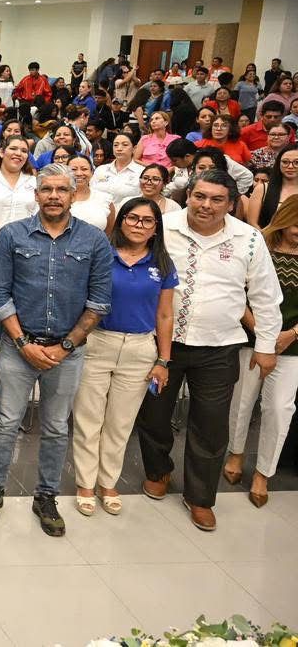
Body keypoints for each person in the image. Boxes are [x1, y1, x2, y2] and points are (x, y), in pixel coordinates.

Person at [135, 170, 282, 531]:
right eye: (199, 196)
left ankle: (200, 497)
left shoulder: (248, 238)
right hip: (163, 344)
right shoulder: (163, 227)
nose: (206, 205)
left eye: (217, 199)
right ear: (188, 196)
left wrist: (266, 346)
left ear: (231, 204)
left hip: (220, 345)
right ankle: (158, 470)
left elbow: (266, 296)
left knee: (211, 425)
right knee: (154, 414)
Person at [0, 164, 113, 537]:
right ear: (36, 195)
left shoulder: (94, 240)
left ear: (73, 194)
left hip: (67, 351)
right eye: (47, 189)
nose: (54, 196)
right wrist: (24, 343)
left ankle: (46, 496)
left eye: (61, 190)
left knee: (55, 427)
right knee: (6, 422)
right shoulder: (12, 235)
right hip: (18, 346)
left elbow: (99, 302)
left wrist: (65, 347)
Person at [70, 197, 176, 517]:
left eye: (147, 220)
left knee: (120, 423)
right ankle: (85, 483)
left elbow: (165, 315)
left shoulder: (162, 264)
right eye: (132, 218)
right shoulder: (102, 255)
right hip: (98, 343)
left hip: (140, 350)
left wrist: (163, 360)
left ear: (156, 228)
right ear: (121, 221)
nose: (138, 225)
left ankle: (108, 483)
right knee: (88, 419)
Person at [225, 195, 298, 508]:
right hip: (251, 336)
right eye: (295, 226)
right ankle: (236, 453)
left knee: (280, 409)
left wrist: (291, 334)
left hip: (293, 345)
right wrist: (262, 332)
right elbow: (236, 293)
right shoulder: (259, 248)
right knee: (241, 401)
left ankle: (264, 473)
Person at [67, 155, 114, 233]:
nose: (79, 173)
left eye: (84, 169)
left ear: (92, 172)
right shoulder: (58, 198)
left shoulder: (105, 198)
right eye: (73, 169)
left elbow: (108, 233)